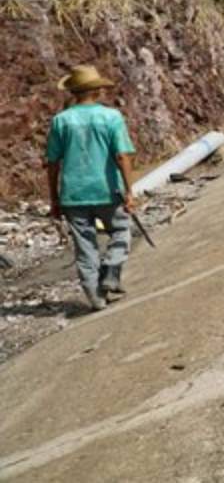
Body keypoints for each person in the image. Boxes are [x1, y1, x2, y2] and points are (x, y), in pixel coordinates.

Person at [45, 65, 137, 311]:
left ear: (73, 92)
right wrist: (129, 191)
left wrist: (54, 199)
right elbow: (122, 156)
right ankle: (111, 270)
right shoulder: (111, 117)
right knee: (121, 232)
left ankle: (96, 298)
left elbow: (52, 163)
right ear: (97, 90)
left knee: (85, 246)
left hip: (73, 194)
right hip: (108, 190)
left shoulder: (60, 121)